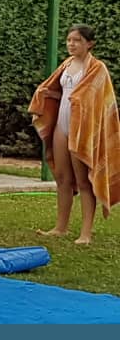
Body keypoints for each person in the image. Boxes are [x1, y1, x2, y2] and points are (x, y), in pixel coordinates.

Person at [30, 25, 120, 246]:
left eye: (77, 40)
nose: (71, 44)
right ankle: (60, 227)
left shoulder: (98, 69)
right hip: (62, 124)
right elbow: (57, 91)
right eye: (69, 40)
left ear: (90, 43)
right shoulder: (66, 64)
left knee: (83, 180)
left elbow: (101, 102)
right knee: (63, 178)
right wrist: (43, 96)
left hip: (83, 128)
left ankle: (85, 233)